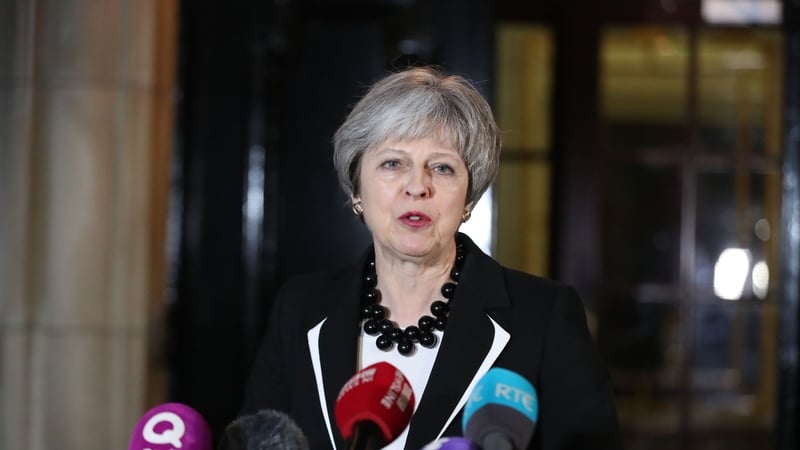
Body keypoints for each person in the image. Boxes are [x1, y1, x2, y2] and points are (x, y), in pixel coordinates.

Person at [240, 66, 622, 450]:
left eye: (442, 168)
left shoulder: (546, 318)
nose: (418, 186)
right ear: (357, 187)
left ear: (469, 198)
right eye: (393, 163)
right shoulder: (301, 308)